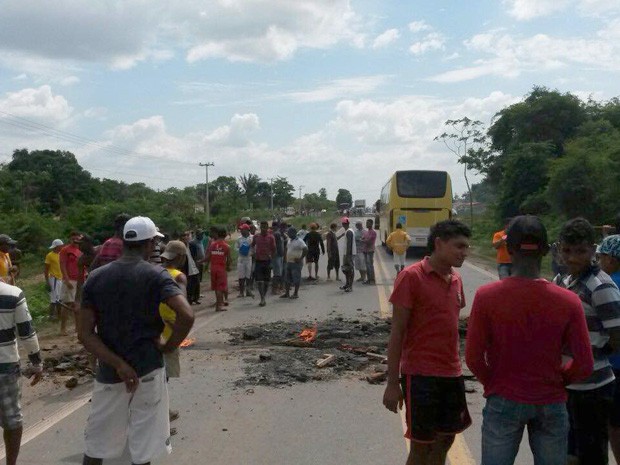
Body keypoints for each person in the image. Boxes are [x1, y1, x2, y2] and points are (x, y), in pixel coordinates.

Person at [465, 216, 593, 465]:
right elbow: (584, 364)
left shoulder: (487, 296)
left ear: (509, 249)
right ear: (546, 250)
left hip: (503, 398)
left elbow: (473, 357)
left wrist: (495, 383)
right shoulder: (568, 301)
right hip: (551, 400)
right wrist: (558, 380)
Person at [79, 216, 194, 465]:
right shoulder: (156, 275)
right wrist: (168, 346)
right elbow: (186, 314)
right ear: (151, 242)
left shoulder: (96, 277)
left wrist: (118, 364)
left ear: (123, 241)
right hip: (148, 368)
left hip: (110, 372)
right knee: (143, 448)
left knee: (97, 445)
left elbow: (85, 334)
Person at [383, 220, 472, 465]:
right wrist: (392, 383)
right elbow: (397, 333)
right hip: (420, 376)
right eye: (459, 246)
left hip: (452, 374)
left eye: (466, 247)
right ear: (439, 243)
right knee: (422, 446)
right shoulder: (411, 277)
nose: (464, 252)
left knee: (446, 440)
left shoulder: (456, 280)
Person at [554, 217, 620, 465]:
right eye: (567, 251)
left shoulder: (601, 287)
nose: (572, 258)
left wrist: (589, 355)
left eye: (580, 251)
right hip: (567, 385)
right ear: (559, 249)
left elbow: (617, 336)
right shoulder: (561, 282)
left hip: (594, 388)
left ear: (593, 250)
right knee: (570, 453)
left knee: (592, 454)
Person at [0, 278, 43, 465]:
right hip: (5, 365)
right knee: (12, 419)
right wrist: (36, 362)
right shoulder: (12, 293)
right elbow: (26, 332)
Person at [159, 240, 188, 434]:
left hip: (152, 332)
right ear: (180, 257)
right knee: (163, 380)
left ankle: (164, 414)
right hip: (169, 334)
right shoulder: (178, 277)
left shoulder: (155, 273)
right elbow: (184, 309)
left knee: (155, 378)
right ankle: (162, 424)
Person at [596, 234, 620, 463]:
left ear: (611, 259)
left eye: (601, 256)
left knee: (612, 424)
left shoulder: (607, 284)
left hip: (613, 367)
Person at [59, 231, 83, 336]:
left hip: (80, 280)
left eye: (77, 238)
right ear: (70, 239)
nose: (75, 240)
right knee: (67, 304)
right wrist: (66, 279)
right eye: (73, 238)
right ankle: (63, 328)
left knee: (78, 304)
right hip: (70, 280)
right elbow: (62, 264)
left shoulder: (80, 250)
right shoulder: (65, 250)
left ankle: (78, 327)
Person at [204, 228, 232, 312]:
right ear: (225, 234)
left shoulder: (212, 244)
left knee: (216, 288)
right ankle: (219, 306)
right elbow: (229, 259)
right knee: (220, 288)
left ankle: (218, 304)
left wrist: (201, 261)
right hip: (221, 269)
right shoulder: (227, 246)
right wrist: (228, 266)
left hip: (213, 268)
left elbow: (208, 257)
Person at [252, 221, 276, 307]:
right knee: (259, 281)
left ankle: (263, 296)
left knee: (266, 282)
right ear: (260, 227)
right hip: (258, 261)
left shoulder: (271, 237)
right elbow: (252, 245)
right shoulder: (256, 236)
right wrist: (253, 254)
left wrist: (272, 261)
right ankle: (262, 298)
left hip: (267, 261)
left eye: (265, 227)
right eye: (262, 227)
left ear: (267, 228)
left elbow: (274, 250)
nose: (263, 229)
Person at [281, 227, 308, 299]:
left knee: (296, 278)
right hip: (289, 262)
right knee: (287, 279)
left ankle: (296, 293)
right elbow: (287, 249)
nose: (288, 234)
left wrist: (301, 258)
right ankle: (287, 293)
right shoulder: (289, 240)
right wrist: (285, 258)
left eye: (289, 232)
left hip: (296, 263)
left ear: (293, 233)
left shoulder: (299, 241)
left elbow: (305, 249)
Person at [44, 239, 64, 320]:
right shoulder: (50, 255)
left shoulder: (61, 254)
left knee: (59, 298)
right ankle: (52, 316)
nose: (62, 247)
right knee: (54, 299)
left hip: (60, 278)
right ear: (57, 246)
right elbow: (46, 269)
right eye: (61, 246)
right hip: (54, 279)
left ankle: (59, 315)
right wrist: (47, 281)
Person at [180, 231, 201, 305]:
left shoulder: (192, 245)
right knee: (189, 285)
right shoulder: (180, 247)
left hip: (193, 266)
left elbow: (195, 256)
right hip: (186, 267)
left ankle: (196, 298)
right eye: (184, 236)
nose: (186, 237)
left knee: (197, 283)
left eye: (187, 236)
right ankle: (189, 299)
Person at [236, 224, 254, 298]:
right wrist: (241, 249)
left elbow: (255, 247)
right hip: (241, 258)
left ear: (247, 230)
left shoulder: (252, 237)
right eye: (241, 229)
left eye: (242, 229)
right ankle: (241, 292)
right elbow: (235, 248)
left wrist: (251, 252)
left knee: (248, 275)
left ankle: (248, 291)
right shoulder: (239, 239)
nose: (241, 231)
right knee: (241, 276)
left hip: (249, 258)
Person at [340, 218, 356, 292]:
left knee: (350, 270)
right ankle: (347, 284)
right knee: (346, 270)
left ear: (344, 224)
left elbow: (349, 244)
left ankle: (350, 286)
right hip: (347, 253)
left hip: (349, 254)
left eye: (343, 223)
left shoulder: (349, 232)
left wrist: (347, 256)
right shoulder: (348, 231)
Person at [271, 221, 285, 295]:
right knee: (277, 274)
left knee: (278, 273)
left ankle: (278, 288)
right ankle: (274, 289)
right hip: (277, 256)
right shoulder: (276, 234)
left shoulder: (277, 233)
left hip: (279, 255)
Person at [362, 218, 377, 285]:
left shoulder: (373, 232)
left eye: (368, 223)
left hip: (370, 251)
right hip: (365, 250)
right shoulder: (366, 232)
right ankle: (368, 279)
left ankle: (372, 280)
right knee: (367, 266)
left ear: (371, 224)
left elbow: (369, 241)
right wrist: (363, 240)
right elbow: (363, 238)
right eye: (366, 223)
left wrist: (363, 240)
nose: (366, 224)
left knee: (370, 265)